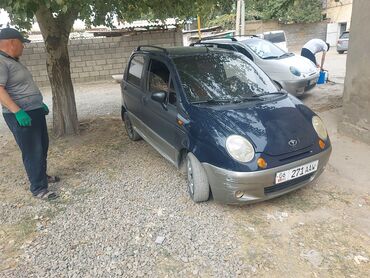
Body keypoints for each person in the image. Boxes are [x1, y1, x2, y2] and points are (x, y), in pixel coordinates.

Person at [0, 28, 59, 200]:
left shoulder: (12, 61)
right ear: (12, 42)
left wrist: (39, 104)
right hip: (22, 114)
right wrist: (17, 111)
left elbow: (22, 87)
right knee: (32, 150)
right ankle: (39, 188)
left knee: (42, 145)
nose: (23, 47)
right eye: (22, 43)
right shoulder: (1, 62)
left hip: (34, 111)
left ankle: (42, 176)